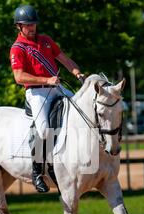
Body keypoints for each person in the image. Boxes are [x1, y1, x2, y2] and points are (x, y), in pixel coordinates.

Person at [10, 4, 86, 193]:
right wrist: (46, 79)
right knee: (44, 131)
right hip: (37, 92)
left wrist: (77, 73)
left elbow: (64, 59)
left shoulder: (45, 40)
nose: (32, 28)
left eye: (34, 24)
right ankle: (37, 172)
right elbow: (19, 77)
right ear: (19, 26)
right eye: (28, 25)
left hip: (56, 87)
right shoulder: (17, 48)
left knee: (82, 112)